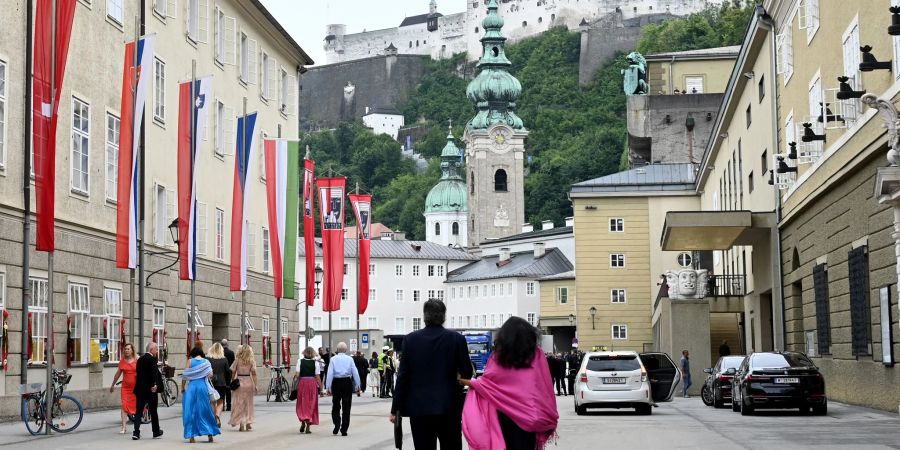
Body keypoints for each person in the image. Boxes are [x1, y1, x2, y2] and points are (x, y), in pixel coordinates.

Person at [460, 317, 558, 450]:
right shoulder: (537, 354)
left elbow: (487, 383)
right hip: (530, 415)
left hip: (503, 413)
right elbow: (544, 384)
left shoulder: (498, 356)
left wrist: (465, 381)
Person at [390, 299, 472, 450]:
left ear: (424, 316)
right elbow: (467, 372)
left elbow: (403, 377)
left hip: (419, 409)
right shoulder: (457, 339)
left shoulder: (410, 339)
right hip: (449, 407)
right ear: (444, 316)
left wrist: (395, 409)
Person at [181, 342, 221, 443]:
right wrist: (201, 373)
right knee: (205, 409)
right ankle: (210, 433)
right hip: (202, 387)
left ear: (193, 354)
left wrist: (182, 387)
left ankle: (191, 436)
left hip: (192, 387)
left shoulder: (190, 361)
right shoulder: (206, 362)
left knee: (190, 410)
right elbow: (210, 375)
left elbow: (185, 375)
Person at [326, 342, 361, 436]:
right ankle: (344, 429)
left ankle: (337, 423)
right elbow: (355, 372)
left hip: (336, 382)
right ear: (346, 350)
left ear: (337, 350)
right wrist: (358, 385)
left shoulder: (333, 359)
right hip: (347, 382)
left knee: (336, 404)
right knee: (347, 406)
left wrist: (328, 387)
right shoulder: (350, 359)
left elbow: (329, 373)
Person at [132, 342, 164, 440]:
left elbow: (139, 373)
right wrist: (155, 384)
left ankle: (136, 433)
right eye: (156, 349)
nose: (157, 351)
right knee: (153, 411)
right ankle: (156, 431)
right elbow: (154, 373)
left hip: (140, 389)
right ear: (151, 350)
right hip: (150, 390)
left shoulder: (140, 359)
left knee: (138, 411)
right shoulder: (152, 360)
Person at [293, 346, 323, 434]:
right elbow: (317, 377)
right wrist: (321, 388)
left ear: (304, 353)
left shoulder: (300, 361)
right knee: (311, 403)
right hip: (312, 383)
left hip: (302, 383)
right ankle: (308, 426)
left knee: (302, 403)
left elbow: (297, 374)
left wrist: (295, 378)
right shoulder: (315, 363)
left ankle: (302, 422)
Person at [229, 345, 257, 432]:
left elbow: (233, 371)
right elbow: (254, 374)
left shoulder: (237, 360)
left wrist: (232, 380)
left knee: (239, 403)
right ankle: (248, 422)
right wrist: (256, 385)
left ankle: (241, 423)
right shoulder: (251, 361)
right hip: (248, 382)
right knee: (248, 403)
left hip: (239, 382)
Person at [110, 343, 137, 434]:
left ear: (132, 350)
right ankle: (123, 427)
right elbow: (118, 374)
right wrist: (113, 384)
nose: (126, 350)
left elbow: (143, 370)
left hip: (136, 387)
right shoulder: (122, 361)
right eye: (125, 349)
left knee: (136, 406)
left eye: (128, 349)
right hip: (125, 388)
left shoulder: (137, 360)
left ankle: (137, 426)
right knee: (124, 405)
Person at [206, 342, 229, 426]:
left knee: (212, 401)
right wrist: (227, 383)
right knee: (220, 401)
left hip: (210, 383)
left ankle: (214, 416)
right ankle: (217, 415)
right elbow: (227, 372)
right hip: (221, 383)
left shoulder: (207, 359)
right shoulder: (224, 359)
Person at [221, 339, 235, 412]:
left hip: (221, 373)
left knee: (221, 389)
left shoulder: (220, 352)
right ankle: (229, 405)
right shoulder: (231, 353)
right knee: (228, 389)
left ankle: (222, 405)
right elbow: (233, 364)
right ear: (227, 344)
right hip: (229, 373)